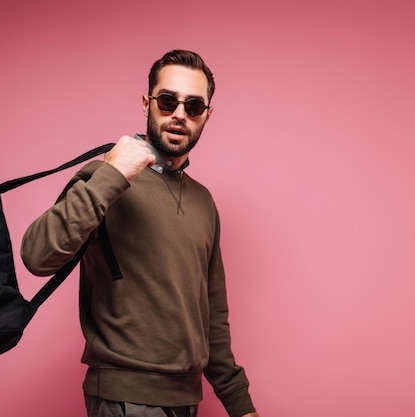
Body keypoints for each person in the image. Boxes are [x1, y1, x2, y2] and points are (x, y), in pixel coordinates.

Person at [21, 49, 259, 417]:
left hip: (187, 400)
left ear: (207, 116)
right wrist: (113, 175)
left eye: (193, 106)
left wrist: (239, 405)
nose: (179, 114)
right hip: (125, 399)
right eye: (167, 101)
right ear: (147, 103)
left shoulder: (203, 201)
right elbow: (37, 256)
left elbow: (212, 315)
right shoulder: (104, 177)